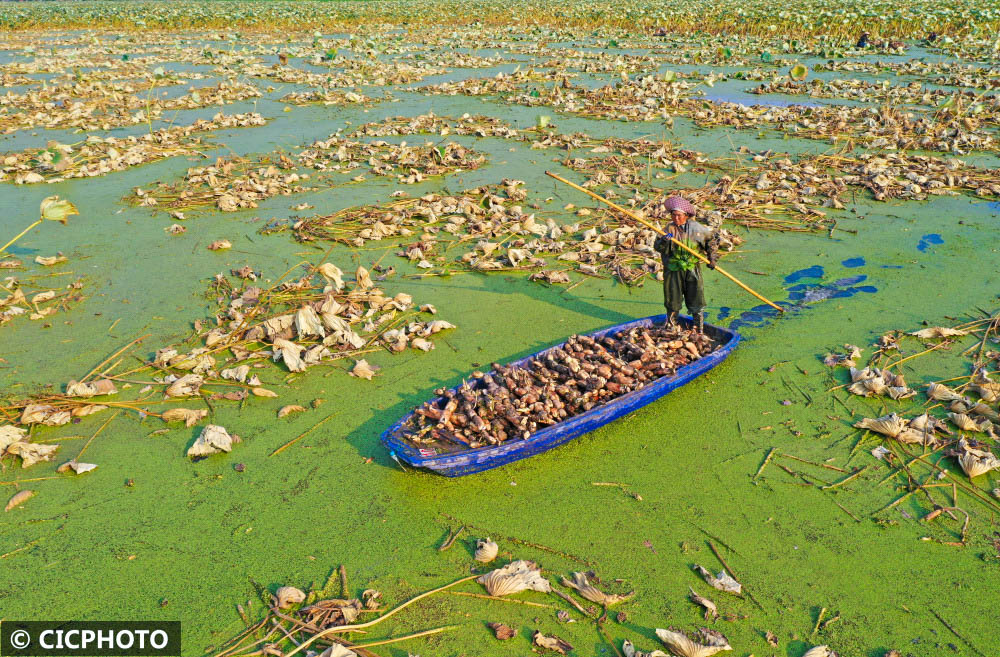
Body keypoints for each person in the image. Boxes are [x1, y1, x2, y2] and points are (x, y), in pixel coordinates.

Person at [652, 196, 719, 333]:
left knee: (696, 297)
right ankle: (672, 326)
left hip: (691, 268)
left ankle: (698, 328)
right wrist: (664, 241)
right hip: (673, 269)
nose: (676, 218)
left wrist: (712, 258)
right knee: (672, 298)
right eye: (673, 215)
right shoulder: (668, 229)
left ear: (686, 215)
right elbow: (657, 247)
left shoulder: (697, 228)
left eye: (679, 216)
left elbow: (710, 242)